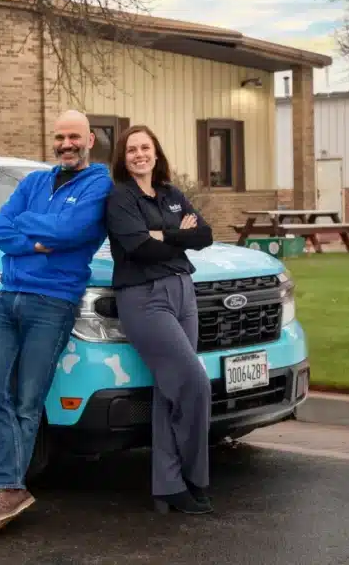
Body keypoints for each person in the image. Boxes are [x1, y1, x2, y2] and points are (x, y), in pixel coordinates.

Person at [0, 110, 113, 534]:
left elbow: (73, 230)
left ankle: (4, 487)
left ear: (90, 139)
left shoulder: (99, 182)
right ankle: (9, 487)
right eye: (59, 137)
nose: (66, 144)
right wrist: (41, 240)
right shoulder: (33, 181)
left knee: (27, 402)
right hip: (7, 299)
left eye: (74, 136)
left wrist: (32, 233)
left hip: (53, 303)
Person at [104, 124, 214, 515]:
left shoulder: (171, 194)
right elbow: (138, 247)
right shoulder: (119, 197)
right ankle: (196, 475)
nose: (139, 154)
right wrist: (174, 234)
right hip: (144, 297)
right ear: (123, 156)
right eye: (131, 149)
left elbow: (205, 235)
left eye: (145, 147)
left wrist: (162, 234)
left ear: (155, 152)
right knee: (194, 382)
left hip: (184, 292)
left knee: (169, 391)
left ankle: (168, 487)